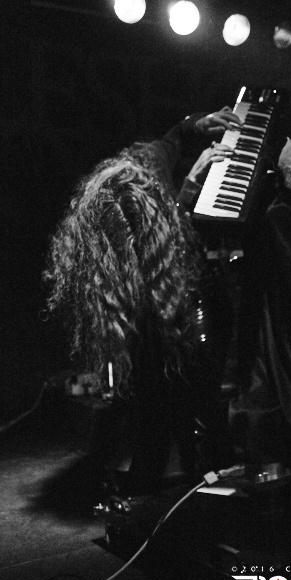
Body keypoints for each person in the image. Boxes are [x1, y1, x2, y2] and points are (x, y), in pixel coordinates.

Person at [44, 107, 241, 494]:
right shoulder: (122, 264)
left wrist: (196, 124)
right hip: (165, 307)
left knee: (183, 397)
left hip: (180, 287)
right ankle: (175, 475)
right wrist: (188, 192)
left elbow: (172, 138)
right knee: (165, 393)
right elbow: (171, 257)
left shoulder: (145, 164)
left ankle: (186, 468)